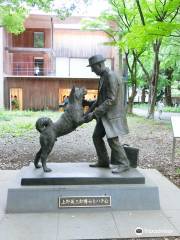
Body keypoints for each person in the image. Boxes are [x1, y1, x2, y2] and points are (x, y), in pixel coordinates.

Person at [84, 54, 130, 174]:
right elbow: (100, 99)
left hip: (111, 116)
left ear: (99, 65)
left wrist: (94, 114)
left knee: (113, 140)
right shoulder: (103, 76)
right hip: (104, 116)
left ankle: (124, 164)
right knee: (96, 137)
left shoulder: (110, 76)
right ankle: (103, 161)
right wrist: (89, 111)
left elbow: (111, 100)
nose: (92, 70)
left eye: (93, 67)